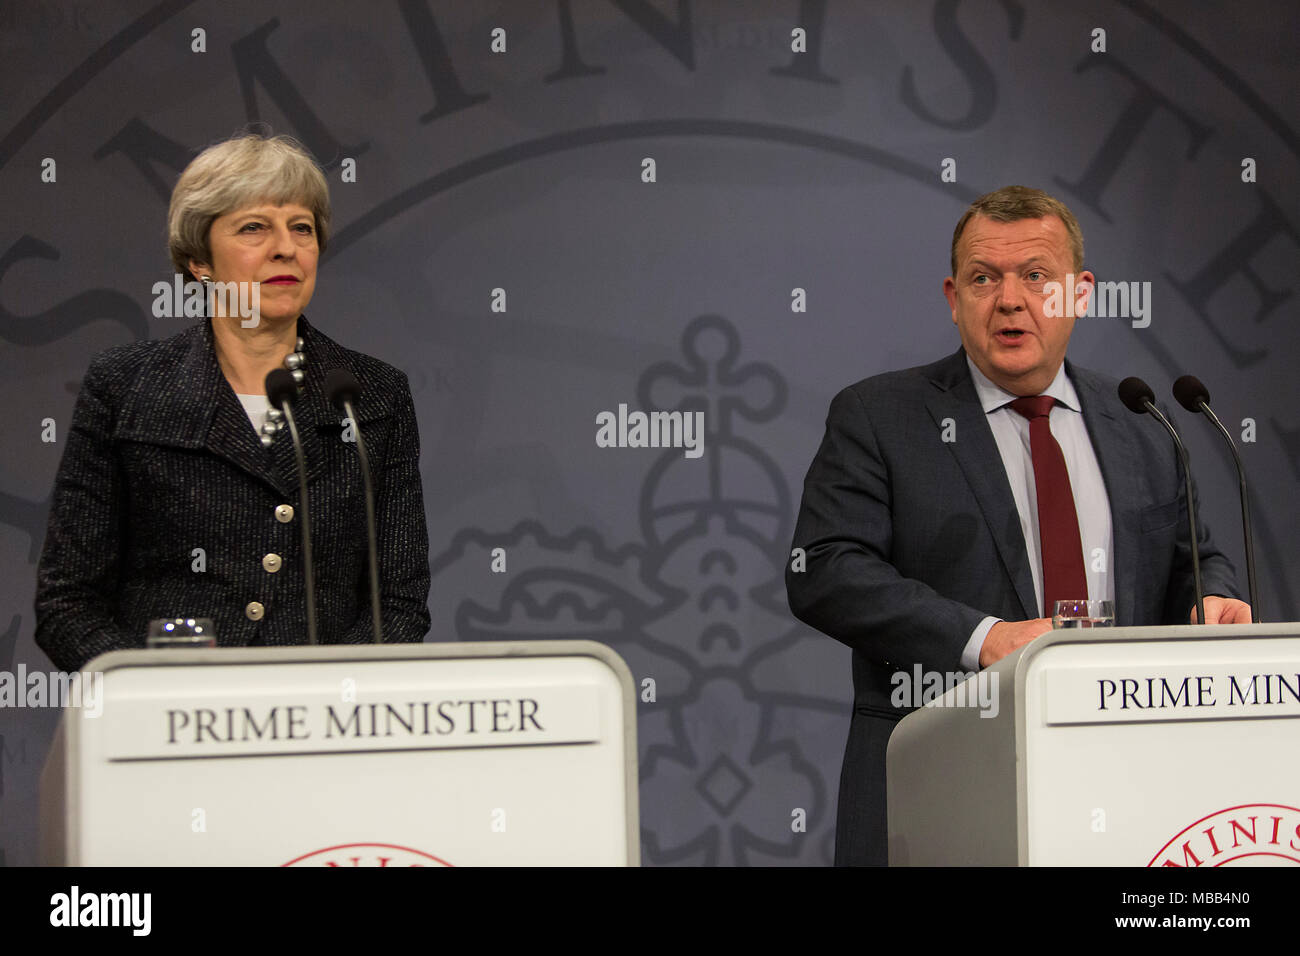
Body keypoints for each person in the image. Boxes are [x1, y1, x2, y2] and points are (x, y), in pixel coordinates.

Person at [785, 185, 1250, 867]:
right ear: (953, 298)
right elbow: (824, 570)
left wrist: (1212, 597)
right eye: (984, 278)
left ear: (1079, 293)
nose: (1010, 299)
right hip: (943, 782)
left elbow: (1193, 558)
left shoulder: (1142, 423)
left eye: (1036, 276)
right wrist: (986, 639)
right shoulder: (881, 417)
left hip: (1128, 787)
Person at [35, 132, 431, 672]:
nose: (286, 247)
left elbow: (399, 605)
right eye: (254, 228)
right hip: (170, 730)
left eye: (302, 228)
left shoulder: (372, 395)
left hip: (324, 730)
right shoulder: (126, 388)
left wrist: (327, 700)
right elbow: (68, 604)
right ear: (200, 260)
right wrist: (153, 697)